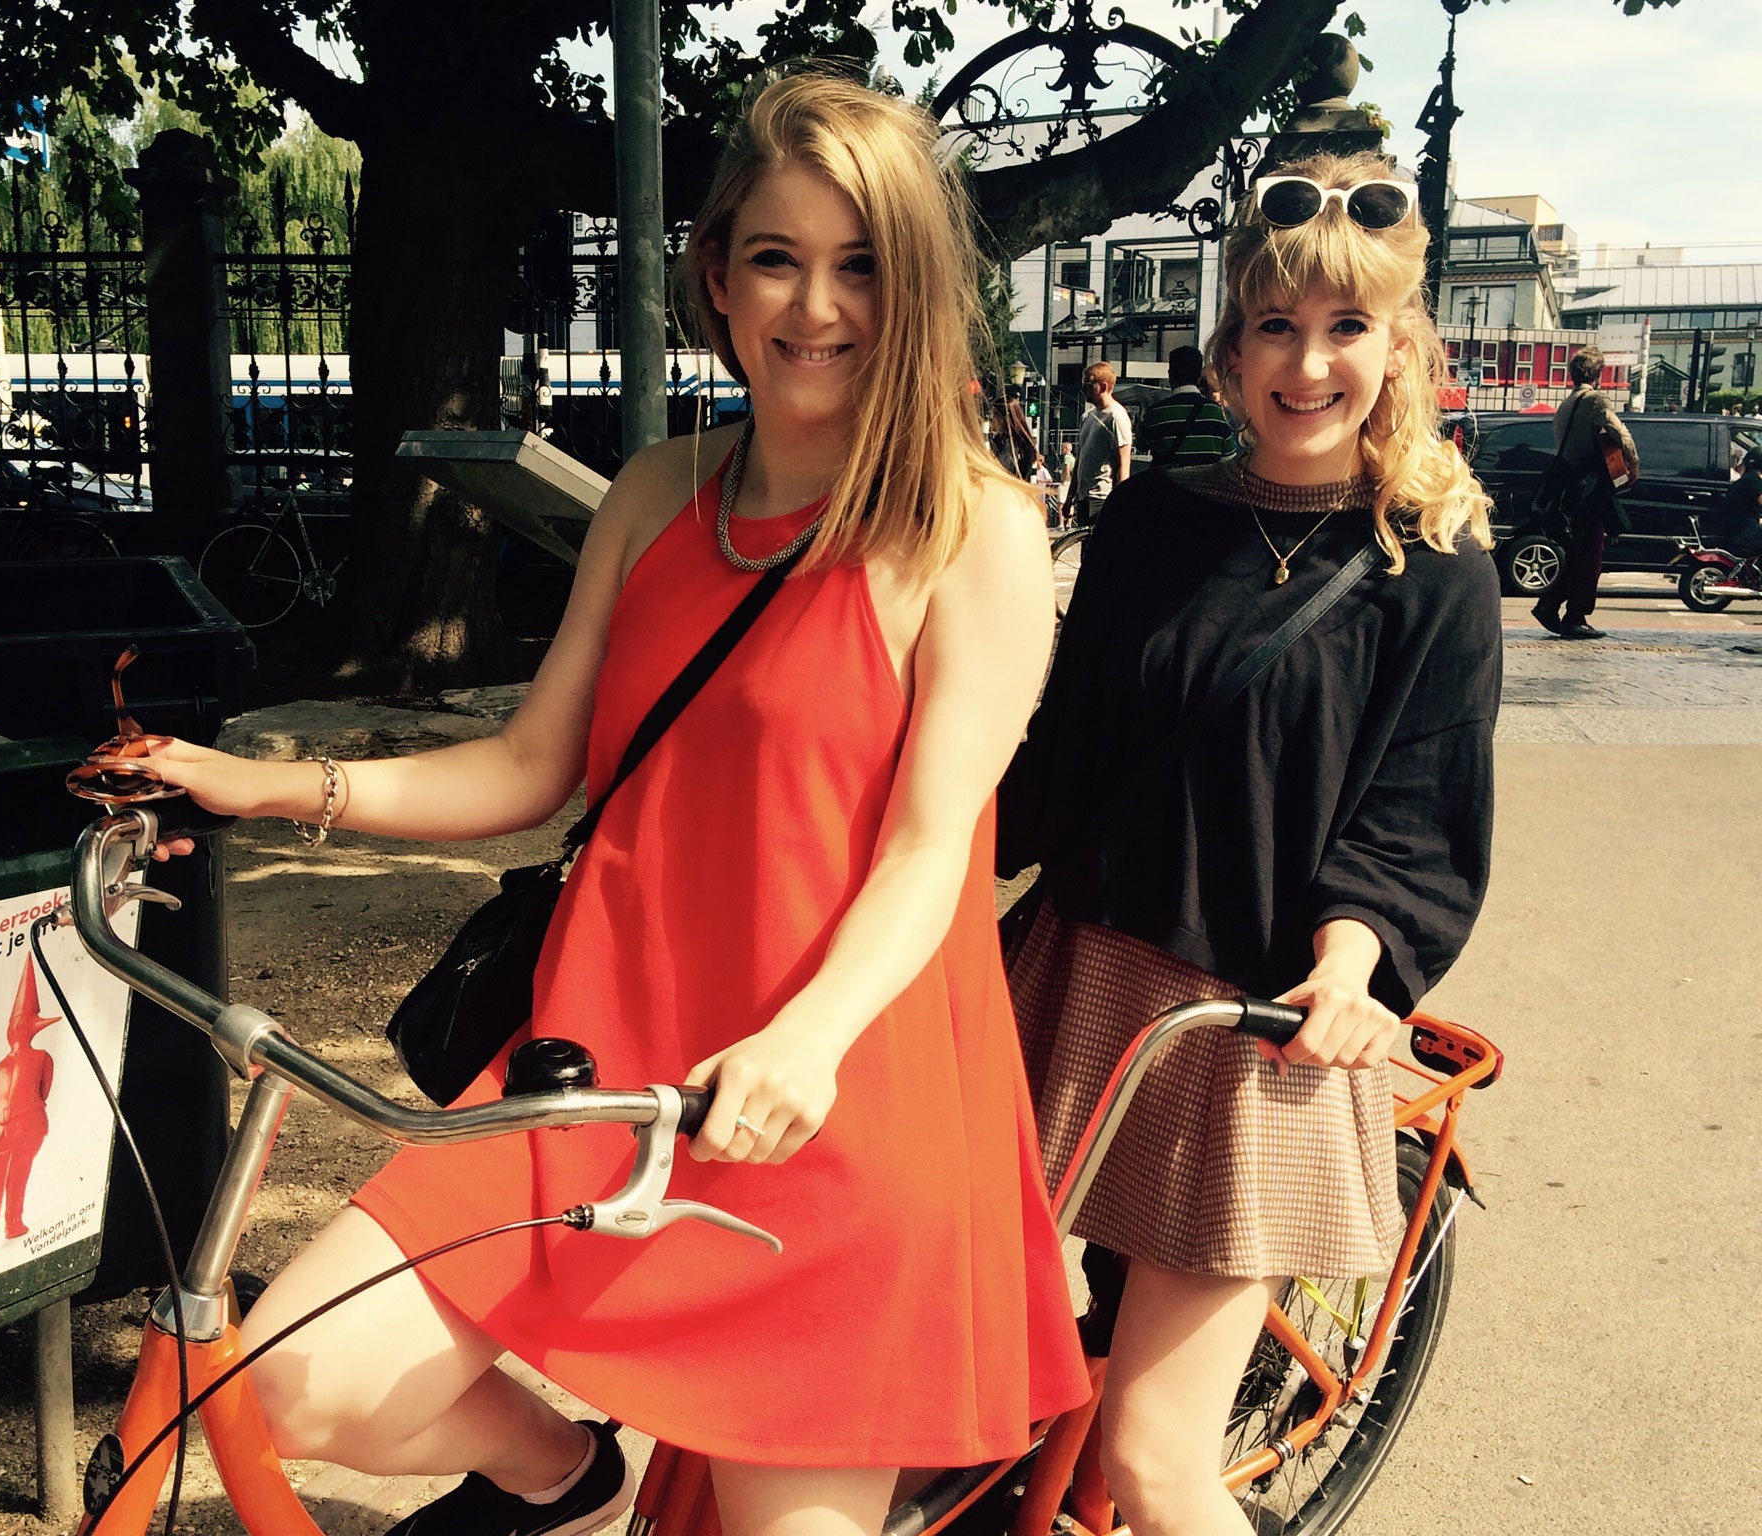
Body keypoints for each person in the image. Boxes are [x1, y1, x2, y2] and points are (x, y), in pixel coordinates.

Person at [144, 70, 1086, 1536]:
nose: (817, 308)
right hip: (598, 1067)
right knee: (300, 1377)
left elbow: (927, 849)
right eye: (778, 257)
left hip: (831, 1102)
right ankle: (566, 1480)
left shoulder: (978, 533)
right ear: (715, 272)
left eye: (863, 267)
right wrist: (274, 786)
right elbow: (532, 768)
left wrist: (806, 1041)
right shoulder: (658, 492)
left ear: (919, 287)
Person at [998, 152, 1500, 1536]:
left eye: (1346, 329)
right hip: (1081, 988)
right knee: (968, 1373)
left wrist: (1352, 968)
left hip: (1262, 1032)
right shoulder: (1157, 519)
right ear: (1232, 345)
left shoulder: (1434, 562)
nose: (1308, 363)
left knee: (1160, 1467)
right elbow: (1063, 751)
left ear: (1398, 349)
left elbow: (1417, 809)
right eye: (1277, 325)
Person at [1531, 345, 1637, 640]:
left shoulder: (1566, 405)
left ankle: (1551, 604)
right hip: (1588, 489)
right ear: (1598, 375)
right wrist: (1634, 463)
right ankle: (1575, 615)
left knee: (1578, 552)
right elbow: (1620, 434)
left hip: (1569, 486)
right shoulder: (1595, 400)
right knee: (1591, 553)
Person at [1060, 361, 1133, 527]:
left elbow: (1124, 461)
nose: (1083, 389)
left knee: (1100, 546)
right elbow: (1080, 459)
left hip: (1102, 496)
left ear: (1103, 386)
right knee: (1086, 548)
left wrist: (1120, 501)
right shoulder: (1087, 417)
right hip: (1083, 496)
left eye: (1088, 384)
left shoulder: (1116, 416)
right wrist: (1070, 497)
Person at [1138, 345, 1236, 469]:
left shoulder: (1155, 413)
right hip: (1205, 486)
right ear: (1199, 377)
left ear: (1170, 375)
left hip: (1165, 485)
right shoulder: (1217, 413)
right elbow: (1228, 458)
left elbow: (1141, 445)